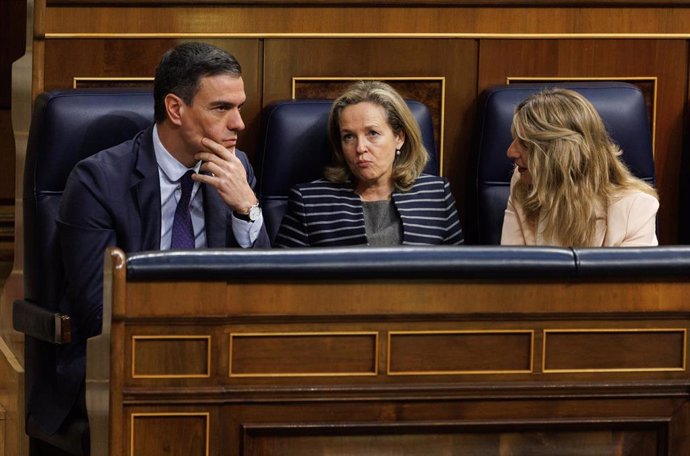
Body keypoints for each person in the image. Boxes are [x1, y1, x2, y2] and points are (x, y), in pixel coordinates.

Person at [35, 42, 270, 449]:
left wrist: (247, 209)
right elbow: (96, 313)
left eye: (239, 106)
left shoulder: (237, 170)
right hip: (127, 357)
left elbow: (267, 293)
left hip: (221, 356)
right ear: (176, 109)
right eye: (221, 108)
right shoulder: (97, 181)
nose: (239, 124)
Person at [274, 80, 463, 247]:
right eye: (348, 136)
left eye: (372, 133)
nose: (360, 148)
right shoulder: (310, 202)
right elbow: (280, 281)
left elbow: (459, 278)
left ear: (399, 137)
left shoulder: (436, 195)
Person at [501, 87, 659, 247]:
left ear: (562, 154)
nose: (510, 152)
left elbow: (627, 272)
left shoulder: (635, 208)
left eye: (525, 144)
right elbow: (511, 265)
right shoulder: (523, 183)